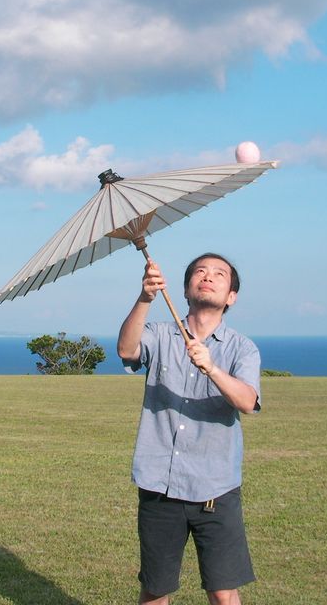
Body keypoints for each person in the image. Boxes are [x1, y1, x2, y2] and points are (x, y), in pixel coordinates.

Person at [117, 252, 262, 605]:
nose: (207, 277)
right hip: (159, 485)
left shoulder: (242, 348)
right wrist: (145, 298)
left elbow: (247, 401)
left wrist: (212, 368)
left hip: (215, 488)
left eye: (219, 274)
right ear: (185, 290)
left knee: (223, 591)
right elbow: (126, 349)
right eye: (200, 271)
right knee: (156, 588)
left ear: (231, 297)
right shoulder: (160, 334)